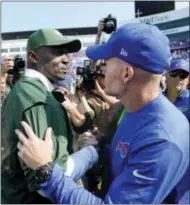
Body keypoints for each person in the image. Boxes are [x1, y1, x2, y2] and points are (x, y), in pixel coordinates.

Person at [15, 23, 189, 204]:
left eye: (106, 63)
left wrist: (46, 171)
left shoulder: (161, 140)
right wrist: (101, 145)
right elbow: (126, 157)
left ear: (126, 74)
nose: (101, 70)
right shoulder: (137, 110)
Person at [1, 28, 98, 204]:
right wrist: (90, 154)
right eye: (57, 52)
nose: (67, 59)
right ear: (33, 57)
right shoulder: (34, 97)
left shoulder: (37, 92)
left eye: (67, 53)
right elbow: (44, 181)